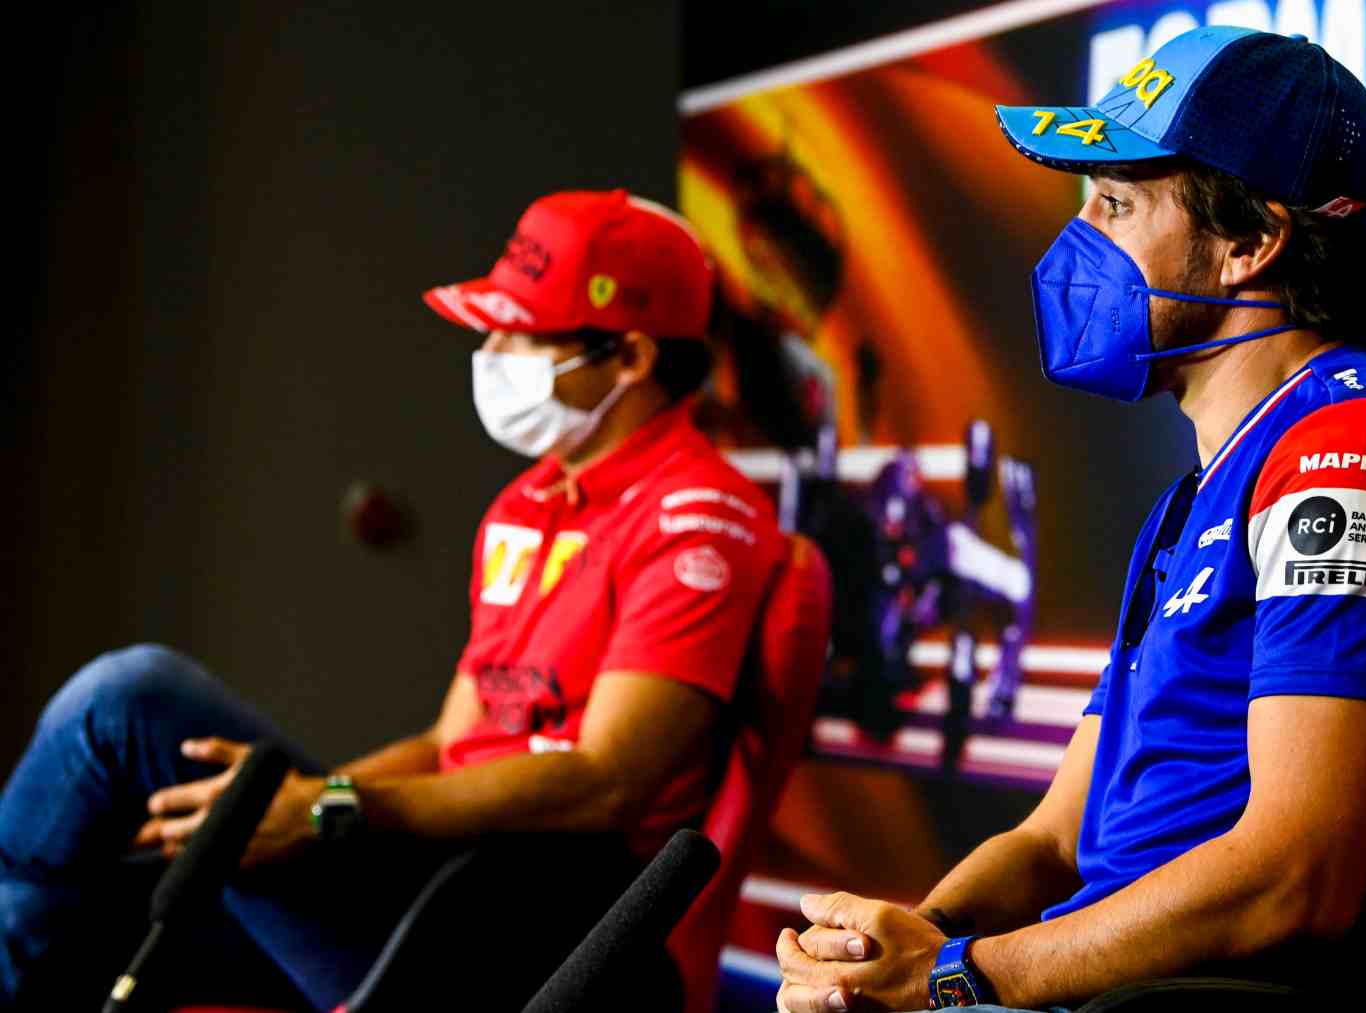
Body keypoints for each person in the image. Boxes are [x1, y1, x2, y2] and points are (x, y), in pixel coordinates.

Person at [774, 27, 1366, 1013]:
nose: (1078, 240)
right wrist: (897, 941)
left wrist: (955, 979)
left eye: (1117, 203)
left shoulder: (1355, 457)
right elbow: (1053, 839)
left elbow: (1294, 876)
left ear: (1248, 242)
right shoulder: (1209, 490)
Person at [0, 189, 788, 1009]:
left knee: (127, 701)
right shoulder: (527, 504)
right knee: (96, 905)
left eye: (519, 330)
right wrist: (297, 807)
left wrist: (331, 810)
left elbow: (607, 780)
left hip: (513, 925)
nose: (490, 349)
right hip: (429, 872)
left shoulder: (701, 519)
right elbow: (449, 738)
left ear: (629, 356)